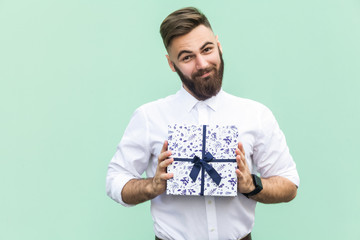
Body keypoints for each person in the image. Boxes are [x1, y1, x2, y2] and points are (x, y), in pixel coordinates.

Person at [106, 7, 299, 240]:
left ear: (218, 45)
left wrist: (252, 184)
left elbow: (288, 184)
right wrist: (152, 186)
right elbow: (115, 180)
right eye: (187, 57)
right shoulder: (149, 116)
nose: (202, 64)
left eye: (207, 49)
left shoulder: (256, 114)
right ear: (171, 64)